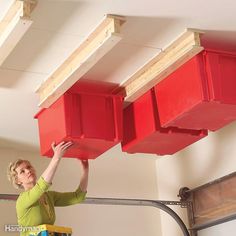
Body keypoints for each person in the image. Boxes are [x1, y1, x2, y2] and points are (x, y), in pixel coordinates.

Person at [7, 141, 89, 236]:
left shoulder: (49, 196)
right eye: (22, 171)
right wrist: (56, 157)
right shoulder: (22, 200)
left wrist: (85, 169)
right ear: (18, 181)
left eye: (29, 167)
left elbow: (78, 197)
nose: (28, 170)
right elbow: (42, 185)